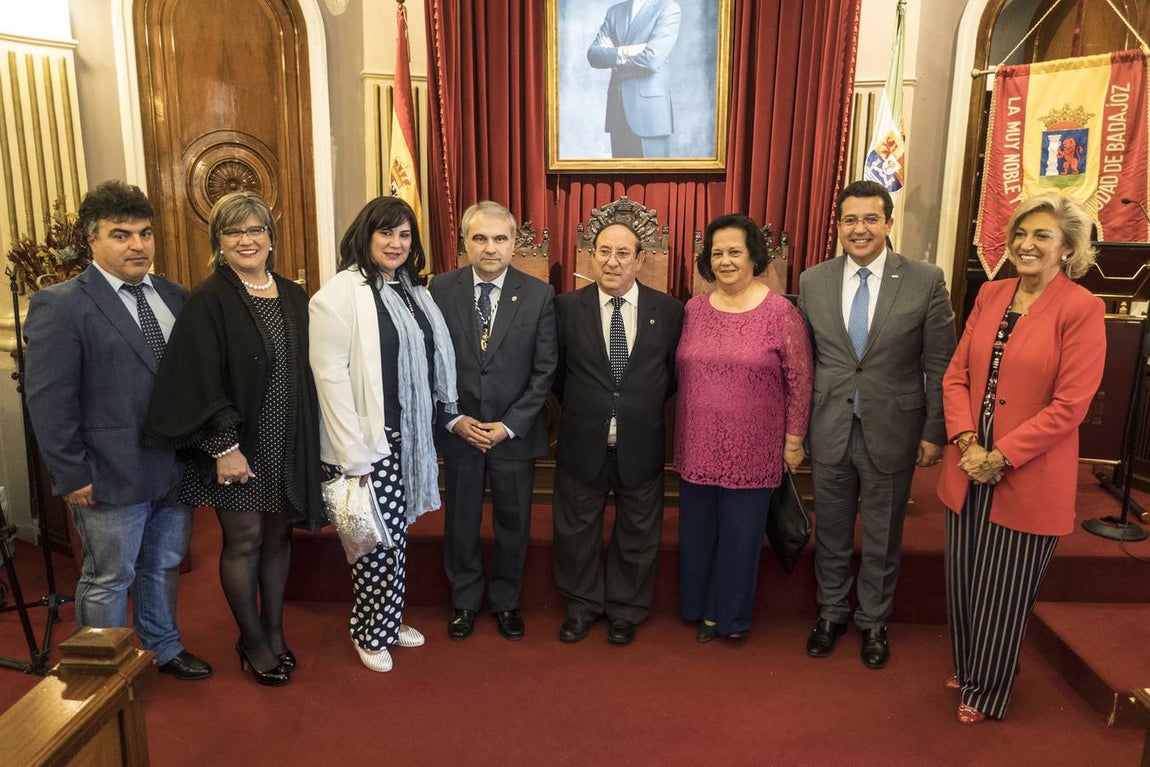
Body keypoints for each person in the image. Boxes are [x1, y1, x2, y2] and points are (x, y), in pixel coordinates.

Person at [23, 180, 211, 681]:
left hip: (174, 467)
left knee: (163, 565)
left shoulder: (174, 295)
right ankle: (102, 675)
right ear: (93, 241)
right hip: (108, 473)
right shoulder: (61, 304)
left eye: (145, 234)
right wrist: (70, 474)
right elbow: (48, 399)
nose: (137, 245)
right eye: (121, 234)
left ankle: (161, 648)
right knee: (110, 577)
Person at [937, 193, 1106, 724]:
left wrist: (1001, 455)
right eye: (1020, 234)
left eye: (1042, 236)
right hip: (968, 464)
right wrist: (967, 441)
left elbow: (1070, 405)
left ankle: (988, 690)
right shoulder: (991, 293)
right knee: (964, 576)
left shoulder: (1082, 308)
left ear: (1068, 248)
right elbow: (957, 375)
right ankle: (968, 665)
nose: (1026, 245)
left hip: (1027, 472)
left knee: (1003, 589)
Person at [143, 191, 324, 686]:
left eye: (255, 230)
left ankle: (274, 628)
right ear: (218, 242)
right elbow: (199, 377)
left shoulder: (293, 294)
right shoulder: (209, 298)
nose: (246, 240)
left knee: (279, 536)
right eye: (233, 232)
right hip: (238, 447)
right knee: (244, 541)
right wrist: (224, 447)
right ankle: (250, 638)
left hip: (287, 441)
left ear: (271, 237)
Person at [798, 180, 956, 669]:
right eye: (849, 220)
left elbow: (942, 362)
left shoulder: (925, 279)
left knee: (884, 536)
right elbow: (803, 362)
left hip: (894, 428)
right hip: (829, 426)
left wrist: (935, 430)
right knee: (832, 532)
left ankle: (873, 621)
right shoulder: (813, 280)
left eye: (870, 219)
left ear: (889, 223)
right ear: (838, 226)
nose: (859, 229)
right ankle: (830, 614)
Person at [309, 196, 458, 673]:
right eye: (386, 233)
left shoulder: (413, 290)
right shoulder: (339, 295)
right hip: (364, 444)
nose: (396, 243)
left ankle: (389, 621)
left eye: (405, 234)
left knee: (395, 535)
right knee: (372, 543)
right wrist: (353, 457)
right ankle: (369, 631)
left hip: (407, 436)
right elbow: (329, 379)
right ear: (365, 235)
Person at [675, 214, 812, 642]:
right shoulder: (694, 310)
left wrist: (793, 441)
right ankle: (698, 608)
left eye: (735, 251)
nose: (725, 260)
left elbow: (801, 380)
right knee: (698, 534)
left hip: (754, 448)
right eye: (717, 252)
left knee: (739, 537)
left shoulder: (780, 312)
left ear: (754, 256)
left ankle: (728, 617)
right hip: (696, 442)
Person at [429, 201, 557, 642]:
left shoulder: (539, 293)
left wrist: (508, 425)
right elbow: (428, 363)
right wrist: (453, 418)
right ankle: (464, 601)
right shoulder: (439, 289)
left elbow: (545, 371)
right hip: (460, 431)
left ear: (514, 243)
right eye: (479, 238)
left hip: (512, 435)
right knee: (460, 522)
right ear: (464, 243)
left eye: (499, 238)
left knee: (513, 522)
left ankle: (506, 601)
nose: (489, 248)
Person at [551, 220, 683, 645]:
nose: (612, 261)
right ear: (591, 256)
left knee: (639, 532)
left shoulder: (669, 311)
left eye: (623, 253)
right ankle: (581, 605)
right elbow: (556, 376)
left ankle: (626, 609)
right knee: (575, 531)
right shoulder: (565, 308)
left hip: (642, 439)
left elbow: (673, 377)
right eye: (604, 251)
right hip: (582, 439)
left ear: (640, 259)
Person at [587, 0, 682, 158]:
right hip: (617, 111)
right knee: (620, 181)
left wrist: (614, 58)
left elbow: (651, 60)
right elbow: (593, 55)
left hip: (650, 114)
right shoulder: (614, 12)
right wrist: (625, 52)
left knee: (654, 181)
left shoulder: (668, 9)